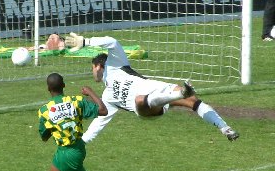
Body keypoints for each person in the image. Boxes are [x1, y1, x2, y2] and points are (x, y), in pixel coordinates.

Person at [20, 73, 144, 171]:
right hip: (76, 147)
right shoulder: (76, 101)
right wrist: (90, 92)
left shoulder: (45, 111)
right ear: (63, 85)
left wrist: (55, 126)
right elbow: (103, 110)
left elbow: (44, 137)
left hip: (67, 154)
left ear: (48, 89)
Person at [64, 33, 240, 143]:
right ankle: (180, 93)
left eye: (92, 68)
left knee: (193, 101)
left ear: (98, 66)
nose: (92, 73)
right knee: (140, 99)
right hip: (145, 108)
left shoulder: (116, 64)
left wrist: (86, 41)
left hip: (157, 89)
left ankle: (225, 128)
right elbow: (99, 123)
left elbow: (112, 42)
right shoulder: (107, 96)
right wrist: (80, 142)